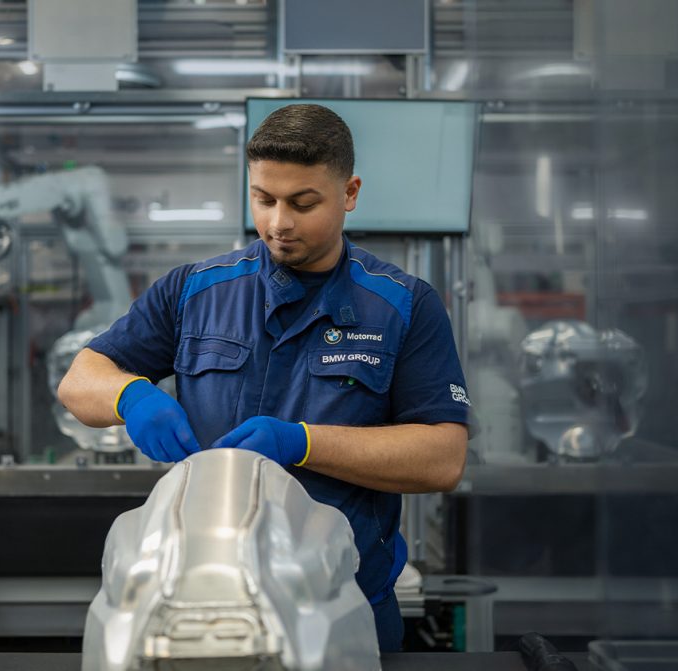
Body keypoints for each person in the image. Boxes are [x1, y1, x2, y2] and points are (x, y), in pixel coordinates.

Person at [56, 103, 470, 653]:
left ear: (349, 193)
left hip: (343, 608)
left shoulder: (403, 306)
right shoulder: (195, 291)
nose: (279, 223)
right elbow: (80, 380)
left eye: (303, 203)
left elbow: (442, 457)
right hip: (202, 608)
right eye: (264, 199)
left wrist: (301, 443)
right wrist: (130, 395)